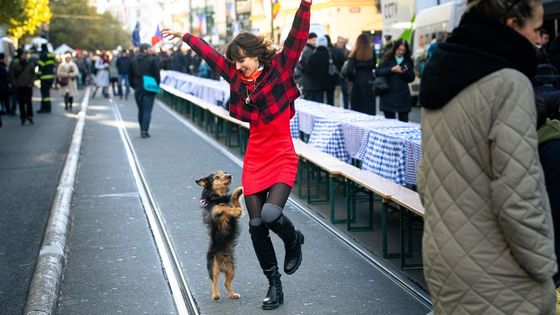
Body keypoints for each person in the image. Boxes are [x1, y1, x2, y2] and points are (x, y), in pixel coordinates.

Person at [161, 0, 310, 309]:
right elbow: (210, 55)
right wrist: (186, 36)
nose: (239, 66)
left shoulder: (281, 67)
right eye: (236, 62)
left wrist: (305, 4)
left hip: (282, 154)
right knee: (256, 225)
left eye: (243, 60)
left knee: (271, 215)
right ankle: (274, 286)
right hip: (256, 158)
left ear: (257, 55)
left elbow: (297, 35)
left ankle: (293, 240)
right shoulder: (237, 79)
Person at [417, 0, 557, 313]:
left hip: (444, 262)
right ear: (511, 25)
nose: (539, 39)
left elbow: (425, 178)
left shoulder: (440, 77)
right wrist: (545, 266)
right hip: (502, 273)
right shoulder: (509, 84)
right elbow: (519, 196)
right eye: (536, 29)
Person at [375, 39, 414, 121]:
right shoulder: (387, 58)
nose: (401, 52)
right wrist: (391, 70)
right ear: (395, 49)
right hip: (388, 95)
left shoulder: (408, 61)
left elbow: (411, 78)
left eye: (403, 50)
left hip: (403, 97)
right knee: (390, 125)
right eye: (399, 49)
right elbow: (378, 72)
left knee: (403, 126)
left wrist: (403, 72)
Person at [128, 43, 160, 138]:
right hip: (150, 87)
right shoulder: (152, 60)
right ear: (145, 50)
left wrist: (133, 86)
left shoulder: (133, 60)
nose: (151, 50)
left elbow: (130, 75)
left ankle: (142, 127)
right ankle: (144, 131)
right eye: (150, 48)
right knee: (147, 110)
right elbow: (157, 75)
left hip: (138, 87)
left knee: (141, 109)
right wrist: (156, 86)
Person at [346, 33, 377, 115]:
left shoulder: (355, 53)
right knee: (369, 103)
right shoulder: (372, 52)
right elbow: (374, 65)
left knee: (358, 105)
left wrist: (352, 78)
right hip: (369, 79)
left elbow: (349, 69)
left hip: (358, 79)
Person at [306, 36, 336, 105]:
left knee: (319, 104)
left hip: (317, 84)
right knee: (330, 103)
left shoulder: (313, 55)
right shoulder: (331, 54)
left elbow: (308, 71)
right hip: (330, 82)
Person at [9, 48, 35, 125]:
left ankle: (30, 116)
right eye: (24, 54)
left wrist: (31, 83)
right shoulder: (15, 64)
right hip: (19, 86)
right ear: (20, 55)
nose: (25, 55)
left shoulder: (30, 64)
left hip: (28, 86)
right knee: (21, 102)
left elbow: (33, 74)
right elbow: (12, 75)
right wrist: (15, 84)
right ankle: (23, 117)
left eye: (26, 54)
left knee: (28, 102)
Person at [295, 32, 317, 100]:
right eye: (313, 40)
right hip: (307, 81)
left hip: (306, 80)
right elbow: (307, 67)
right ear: (309, 40)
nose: (315, 42)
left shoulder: (308, 49)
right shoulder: (308, 50)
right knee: (308, 99)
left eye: (316, 40)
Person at [36, 44, 55, 113]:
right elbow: (53, 65)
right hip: (51, 77)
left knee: (44, 94)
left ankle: (44, 108)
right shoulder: (51, 55)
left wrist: (38, 75)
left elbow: (40, 66)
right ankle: (48, 108)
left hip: (44, 77)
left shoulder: (42, 55)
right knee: (47, 94)